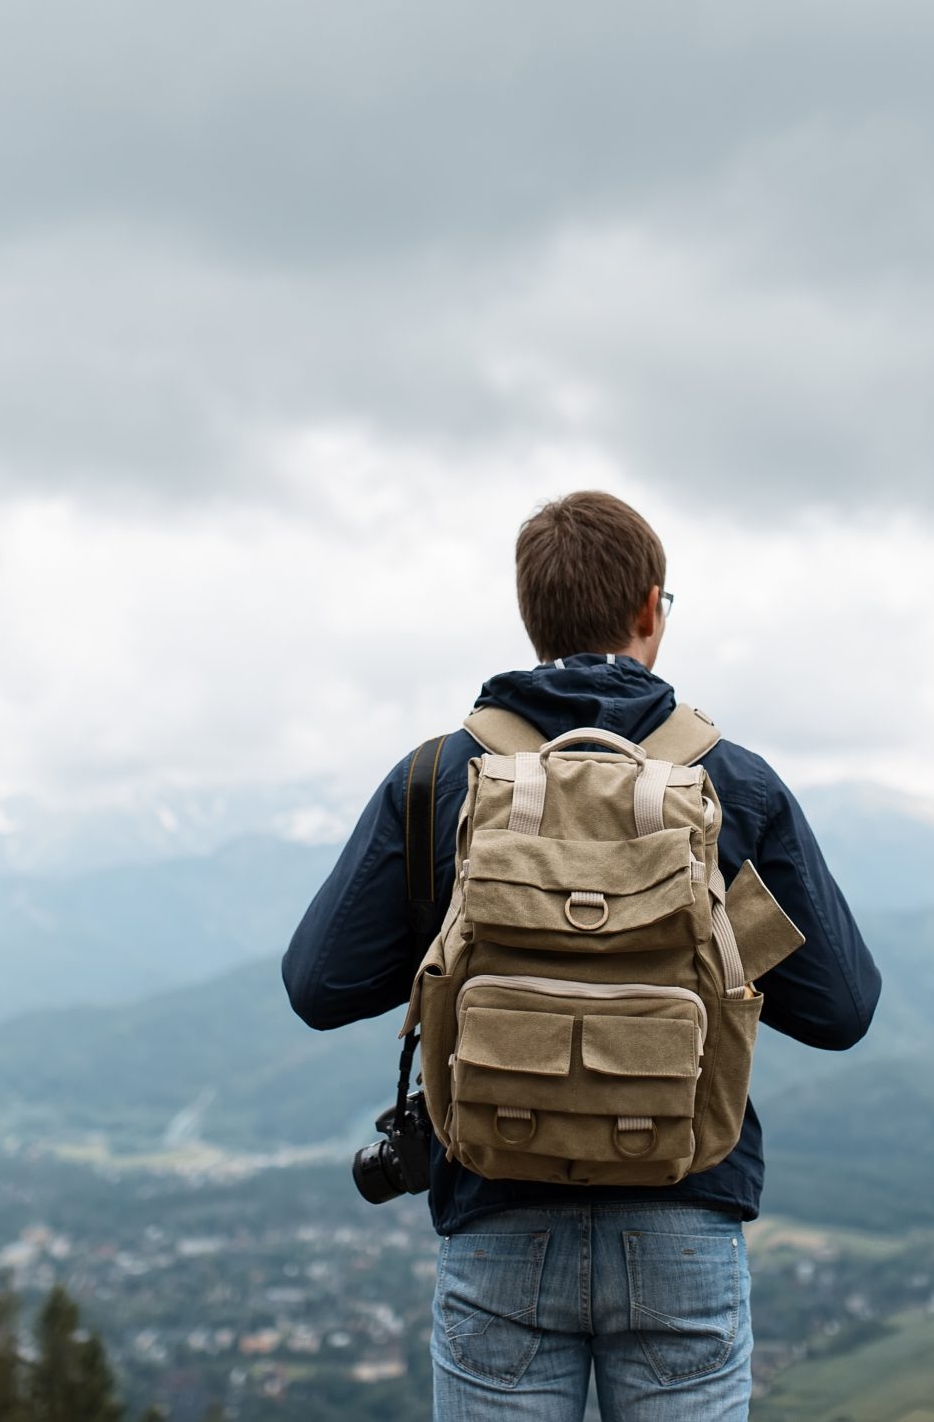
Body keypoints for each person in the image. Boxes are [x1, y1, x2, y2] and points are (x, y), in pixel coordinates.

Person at [283, 490, 882, 1420]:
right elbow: (841, 1008)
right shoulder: (730, 781)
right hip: (685, 1212)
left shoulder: (440, 778)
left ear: (531, 618)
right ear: (651, 609)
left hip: (496, 1214)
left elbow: (319, 985)